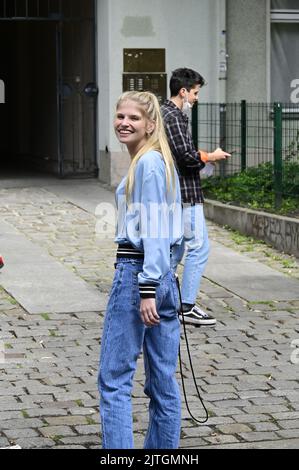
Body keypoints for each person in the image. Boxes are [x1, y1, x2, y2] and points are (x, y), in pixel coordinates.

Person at [98, 91, 183, 449]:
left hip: (138, 274)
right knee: (162, 381)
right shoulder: (158, 161)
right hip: (163, 278)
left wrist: (147, 287)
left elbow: (154, 229)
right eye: (120, 116)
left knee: (114, 380)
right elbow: (175, 232)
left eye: (133, 118)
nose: (124, 123)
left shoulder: (147, 164)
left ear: (150, 124)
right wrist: (162, 279)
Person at [161, 68, 231, 327]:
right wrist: (211, 157)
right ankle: (186, 306)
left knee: (176, 248)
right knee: (199, 248)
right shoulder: (174, 116)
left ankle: (155, 296)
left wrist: (203, 157)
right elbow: (186, 157)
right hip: (185, 194)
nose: (197, 98)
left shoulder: (164, 113)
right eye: (195, 92)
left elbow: (184, 152)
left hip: (176, 192)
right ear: (183, 91)